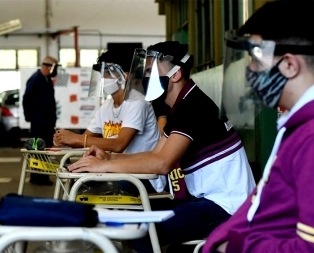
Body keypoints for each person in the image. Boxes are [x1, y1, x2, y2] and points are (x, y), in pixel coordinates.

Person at [202, 1, 314, 252]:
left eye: (255, 59)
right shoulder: (309, 123)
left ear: (289, 64)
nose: (250, 70)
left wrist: (233, 247)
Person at [67, 41, 256, 252]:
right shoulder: (182, 105)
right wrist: (108, 159)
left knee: (141, 229)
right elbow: (155, 153)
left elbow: (162, 164)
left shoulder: (193, 106)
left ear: (175, 75)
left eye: (150, 71)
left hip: (228, 207)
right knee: (135, 217)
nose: (145, 77)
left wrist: (102, 167)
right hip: (208, 200)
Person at [53, 50, 165, 193]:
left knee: (85, 185)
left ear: (125, 75)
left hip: (144, 177)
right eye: (102, 73)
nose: (103, 78)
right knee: (75, 178)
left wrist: (76, 138)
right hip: (118, 170)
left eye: (107, 73)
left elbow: (118, 144)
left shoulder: (137, 103)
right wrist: (65, 139)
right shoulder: (106, 106)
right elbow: (86, 138)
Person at [23, 56, 58, 186]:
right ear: (48, 66)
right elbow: (26, 99)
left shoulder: (46, 79)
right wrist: (29, 116)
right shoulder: (35, 80)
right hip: (39, 122)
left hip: (47, 122)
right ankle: (37, 177)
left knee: (45, 150)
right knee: (38, 150)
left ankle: (42, 176)